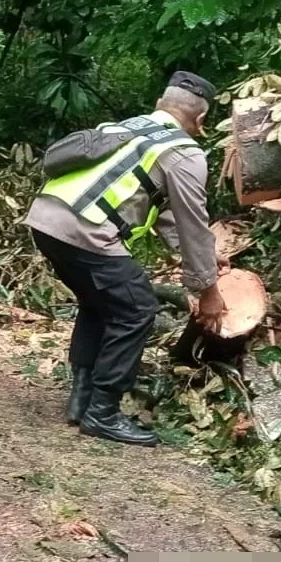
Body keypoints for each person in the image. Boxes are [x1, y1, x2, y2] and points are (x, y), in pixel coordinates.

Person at [25, 72, 229, 447]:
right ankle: (103, 412)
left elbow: (168, 214)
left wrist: (206, 260)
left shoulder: (128, 129)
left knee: (99, 302)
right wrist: (207, 291)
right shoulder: (185, 152)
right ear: (201, 121)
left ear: (159, 105)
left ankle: (81, 400)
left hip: (44, 220)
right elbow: (193, 221)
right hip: (85, 231)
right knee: (138, 309)